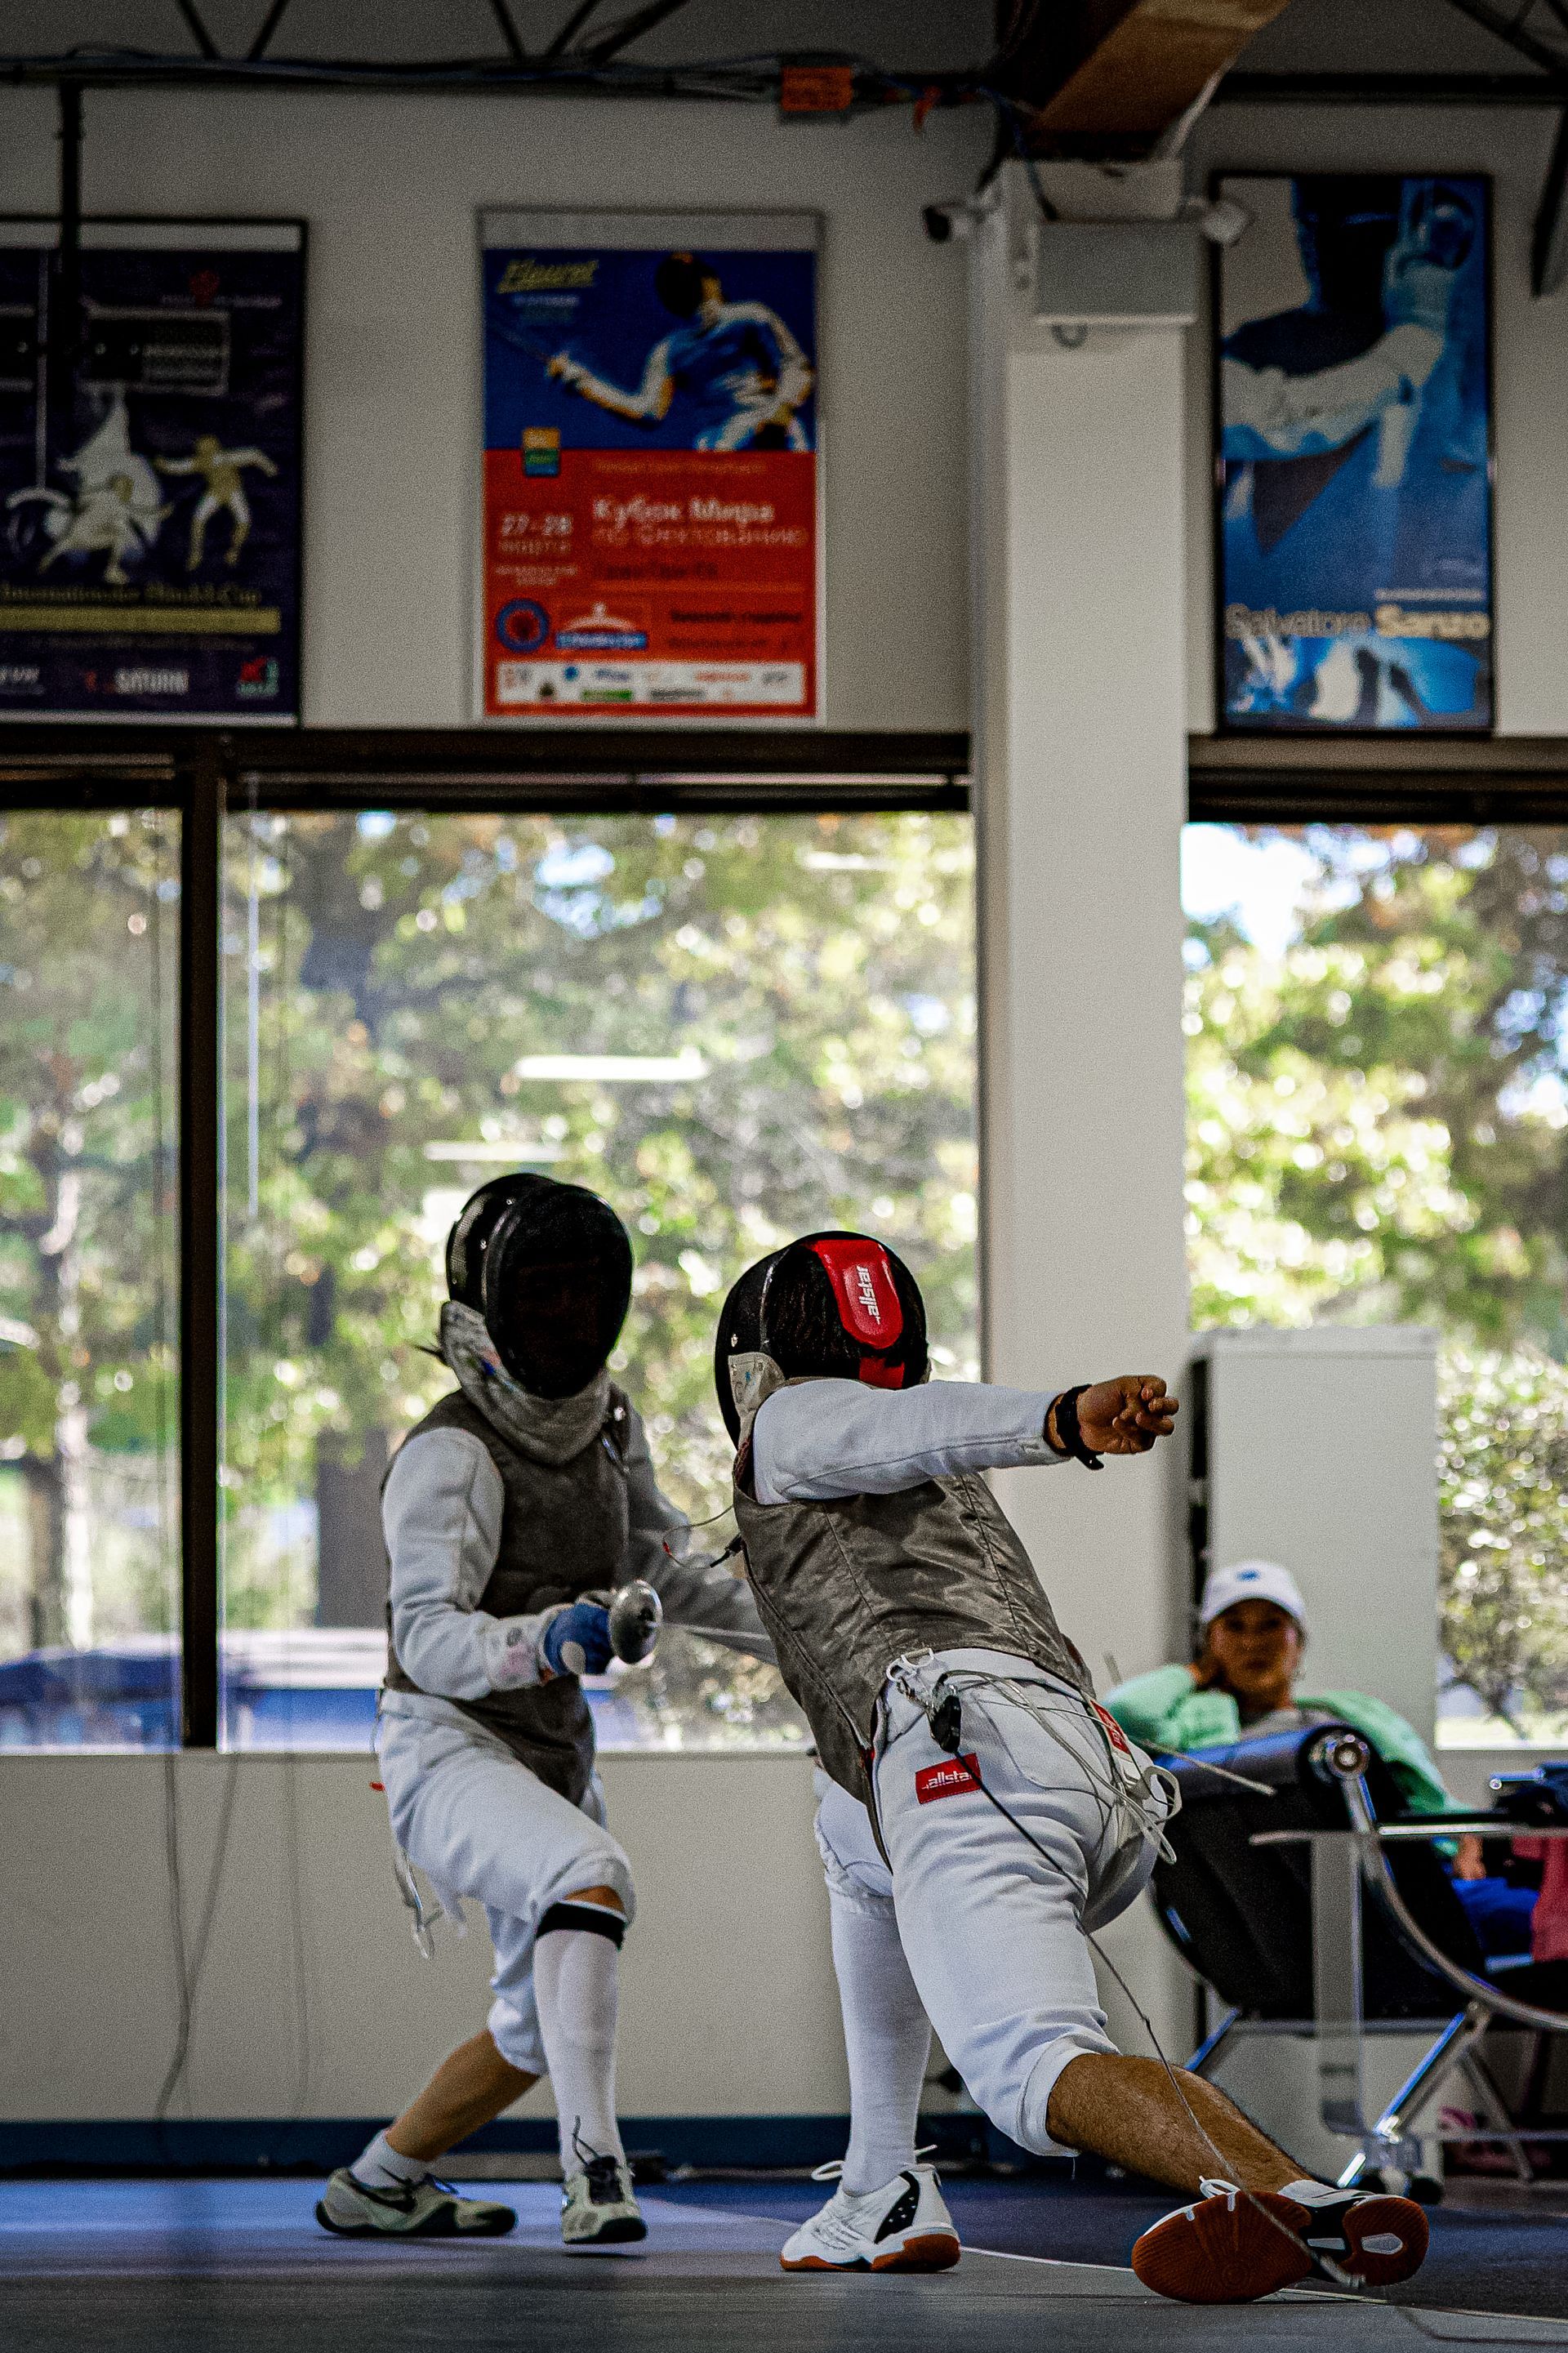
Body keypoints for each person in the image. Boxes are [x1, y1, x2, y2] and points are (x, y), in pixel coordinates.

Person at [716, 1232, 1430, 2303]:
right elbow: (811, 1577)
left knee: (1029, 2067)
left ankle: (1303, 2202)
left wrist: (1056, 1417)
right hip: (1075, 1768)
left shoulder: (795, 1422)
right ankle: (878, 2183)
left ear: (751, 1360)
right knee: (848, 1831)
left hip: (966, 1764)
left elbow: (892, 1419)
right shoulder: (910, 1473)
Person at [317, 1174, 772, 2248]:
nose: (568, 1314)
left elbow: (664, 1563)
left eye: (584, 1290)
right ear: (488, 1309)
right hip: (443, 1745)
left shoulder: (610, 1422)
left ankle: (379, 2182)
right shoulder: (449, 1454)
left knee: (534, 2027)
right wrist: (548, 1636)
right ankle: (596, 2172)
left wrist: (801, 1633)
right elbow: (428, 1639)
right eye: (543, 1292)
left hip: (553, 1752)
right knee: (590, 1877)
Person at [1106, 1560, 1535, 1959]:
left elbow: (1428, 1804)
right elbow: (1125, 1711)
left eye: (1271, 1625)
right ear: (1210, 1642)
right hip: (1305, 1910)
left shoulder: (1350, 1716)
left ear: (1299, 1640)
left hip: (1419, 1882)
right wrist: (1198, 1671)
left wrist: (1466, 1838)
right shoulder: (1193, 1733)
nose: (1253, 1642)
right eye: (1233, 1627)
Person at [547, 250, 813, 452]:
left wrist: (780, 413)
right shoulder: (670, 350)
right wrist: (582, 382)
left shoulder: (750, 316)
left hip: (773, 431)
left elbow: (796, 365)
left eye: (687, 272)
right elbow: (648, 410)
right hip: (719, 446)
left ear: (711, 282)